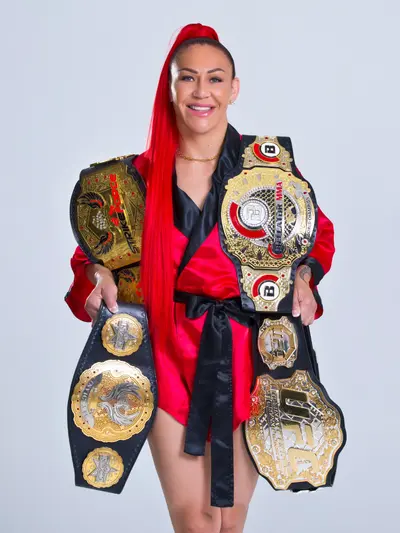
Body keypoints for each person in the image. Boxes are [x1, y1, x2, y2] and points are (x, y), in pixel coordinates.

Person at [65, 22, 335, 533]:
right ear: (170, 88)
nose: (201, 91)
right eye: (187, 78)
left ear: (234, 88)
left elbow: (315, 236)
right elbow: (92, 255)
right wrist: (98, 275)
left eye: (215, 78)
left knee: (229, 521)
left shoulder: (269, 171)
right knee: (194, 520)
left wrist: (304, 275)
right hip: (165, 348)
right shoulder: (131, 180)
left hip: (246, 349)